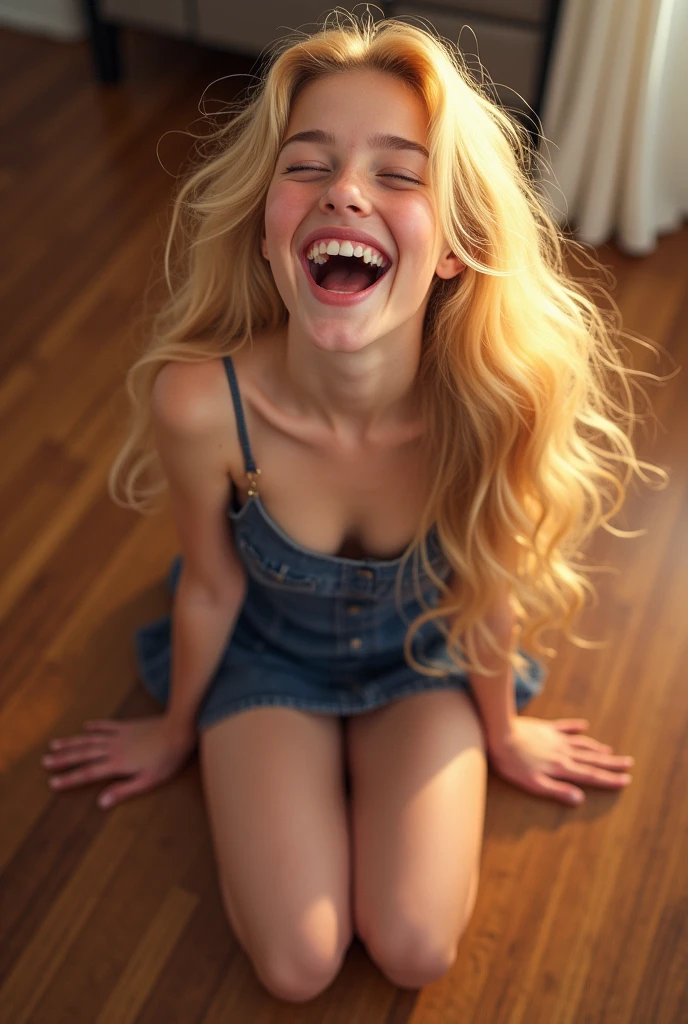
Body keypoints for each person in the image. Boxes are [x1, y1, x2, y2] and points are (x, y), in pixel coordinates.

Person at [41, 11, 669, 1002]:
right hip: (266, 658)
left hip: (425, 660)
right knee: (296, 964)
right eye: (309, 165)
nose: (343, 188)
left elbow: (491, 585)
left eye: (398, 171)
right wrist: (171, 730)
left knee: (417, 946)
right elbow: (208, 589)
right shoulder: (203, 405)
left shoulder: (490, 407)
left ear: (457, 245)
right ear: (266, 228)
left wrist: (502, 732)